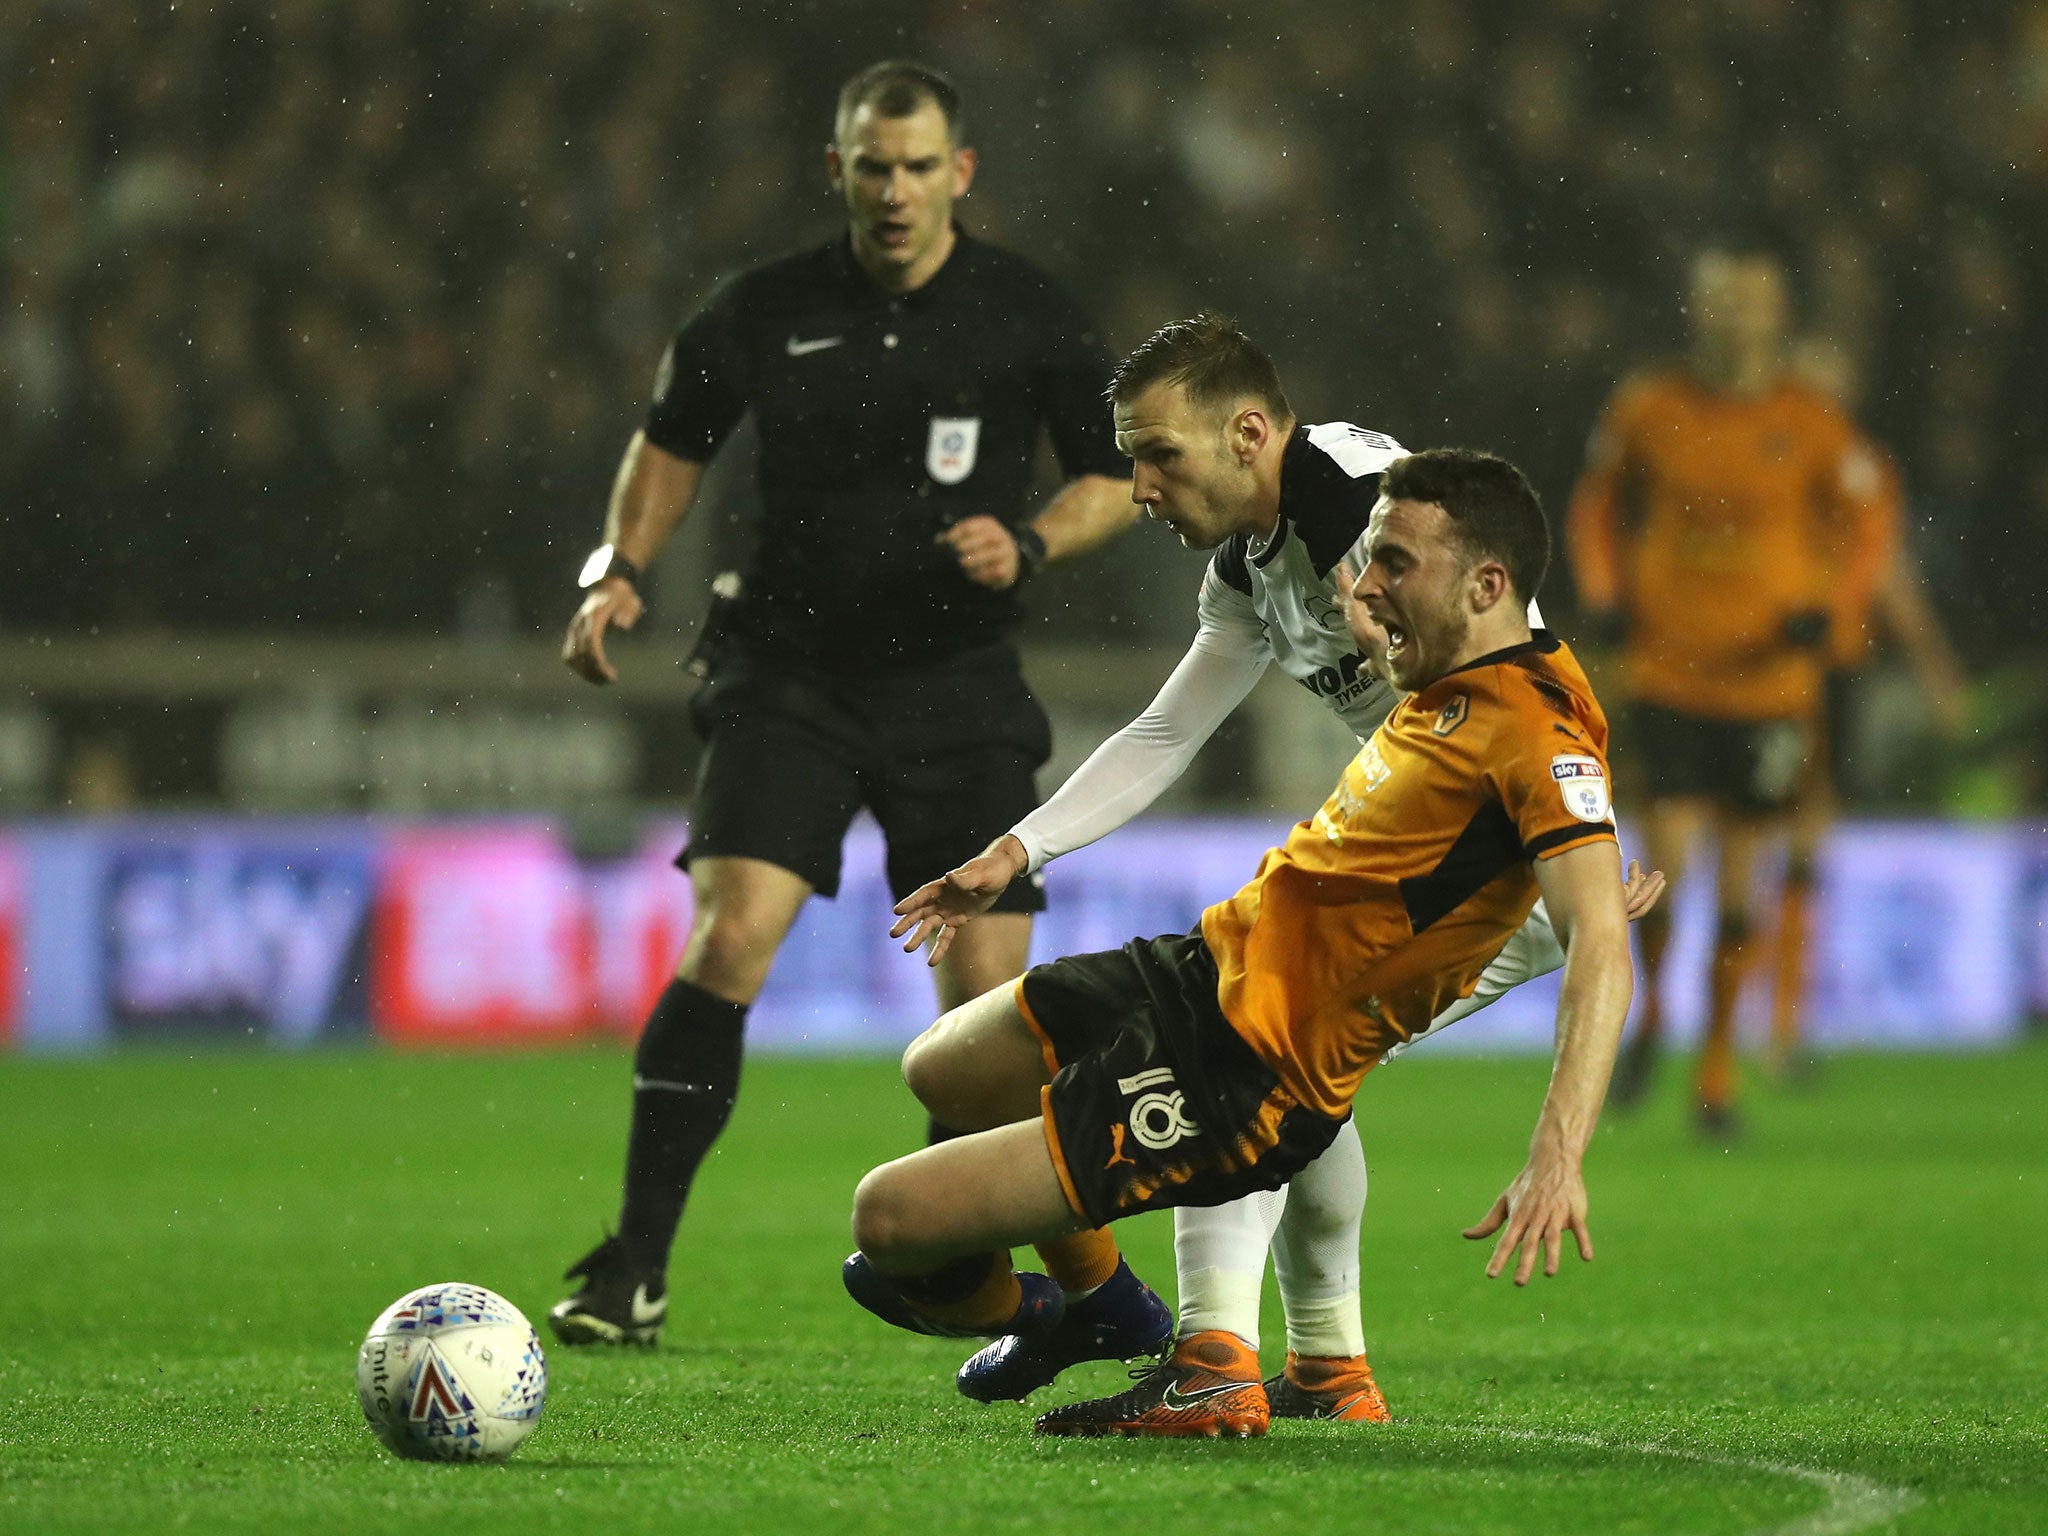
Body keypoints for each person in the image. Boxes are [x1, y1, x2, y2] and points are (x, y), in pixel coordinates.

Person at [883, 315, 1661, 1433]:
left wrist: (1562, 852)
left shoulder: (1365, 501)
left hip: (1473, 885)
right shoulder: (1250, 564)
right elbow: (1165, 732)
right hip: (1412, 870)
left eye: (1157, 455)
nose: (1135, 485)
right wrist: (1020, 849)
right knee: (1291, 1084)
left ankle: (1209, 1355)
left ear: (1247, 434)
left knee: (1250, 1062)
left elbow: (1507, 644)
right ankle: (1327, 1367)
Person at [547, 60, 1136, 1346]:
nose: (894, 192)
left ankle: (959, 1280)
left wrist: (1032, 543)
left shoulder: (1025, 313)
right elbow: (670, 443)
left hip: (956, 684)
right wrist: (619, 571)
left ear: (958, 175)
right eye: (872, 167)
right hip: (787, 672)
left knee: (984, 1012)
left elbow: (1111, 476)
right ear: (838, 172)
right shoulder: (762, 309)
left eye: (918, 167)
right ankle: (632, 1266)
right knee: (728, 937)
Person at [1567, 249, 1893, 1140]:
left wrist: (1834, 612)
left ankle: (1715, 1074)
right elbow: (1597, 504)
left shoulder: (1810, 420)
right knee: (1666, 873)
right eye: (1720, 302)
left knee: (1745, 886)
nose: (1735, 318)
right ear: (1698, 311)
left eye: (1751, 303)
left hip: (1771, 686)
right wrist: (1602, 587)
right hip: (1669, 672)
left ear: (1776, 315)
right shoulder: (1650, 408)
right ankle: (1658, 1017)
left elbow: (1871, 520)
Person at [1764, 339, 1970, 1080]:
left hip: (1829, 671)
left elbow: (1888, 574)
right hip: (1754, 668)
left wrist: (1935, 666)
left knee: (1803, 839)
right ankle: (1733, 1025)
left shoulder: (1859, 468)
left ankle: (1781, 1025)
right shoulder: (1769, 454)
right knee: (1750, 836)